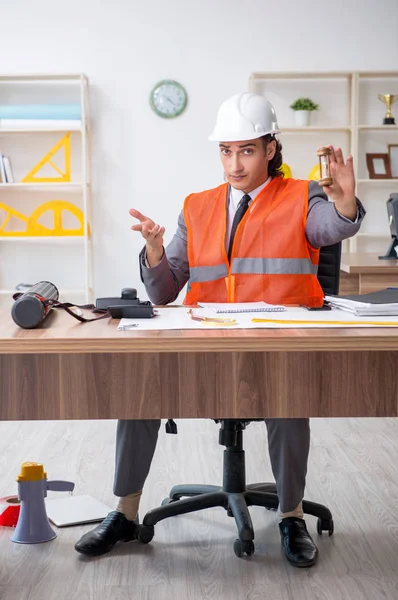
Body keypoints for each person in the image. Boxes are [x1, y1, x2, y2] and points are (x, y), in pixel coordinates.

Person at [75, 92, 365, 568]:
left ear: (271, 149)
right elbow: (164, 290)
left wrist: (345, 200)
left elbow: (331, 228)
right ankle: (125, 514)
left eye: (246, 150)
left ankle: (291, 516)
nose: (234, 163)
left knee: (288, 402)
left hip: (276, 347)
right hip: (204, 344)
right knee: (136, 389)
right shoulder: (197, 206)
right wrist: (152, 250)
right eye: (226, 151)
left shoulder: (304, 195)